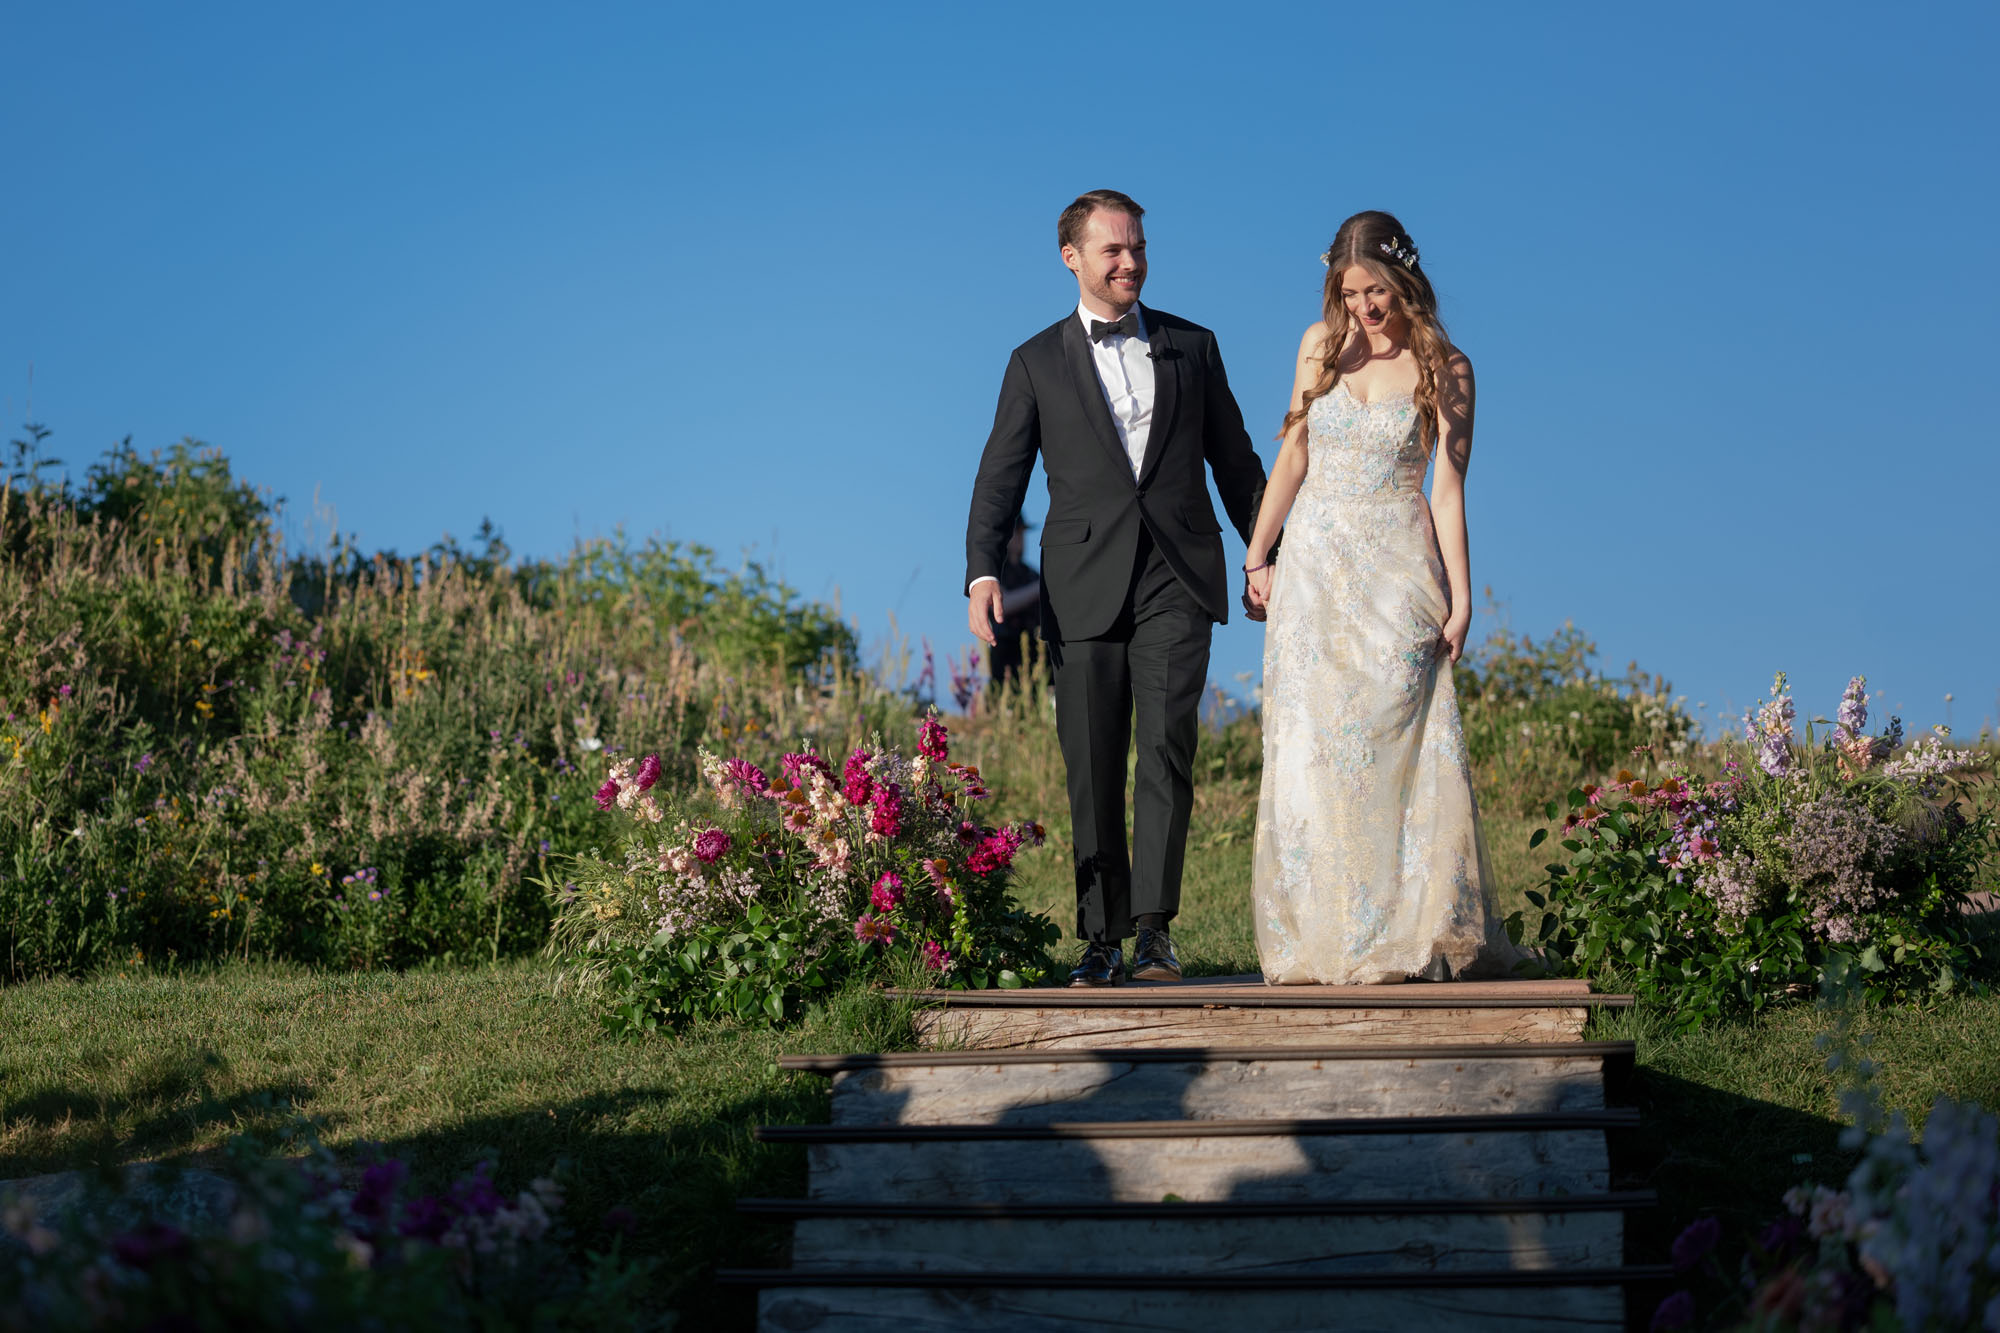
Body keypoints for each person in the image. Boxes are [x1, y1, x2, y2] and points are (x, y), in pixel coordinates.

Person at [964, 189, 1269, 986]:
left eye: (1137, 247)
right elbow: (1000, 476)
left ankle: (1154, 932)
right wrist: (984, 570)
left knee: (1167, 748)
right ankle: (1098, 937)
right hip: (1082, 585)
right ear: (1072, 258)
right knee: (1092, 760)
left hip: (1178, 572)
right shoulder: (1033, 360)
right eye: (1113, 250)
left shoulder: (1192, 346)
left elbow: (1236, 462)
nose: (1130, 261)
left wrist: (1267, 550)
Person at [1241, 210, 1519, 985]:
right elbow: (1292, 455)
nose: (1365, 304)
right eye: (1350, 289)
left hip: (1398, 571)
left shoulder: (1447, 366)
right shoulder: (1319, 347)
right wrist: (1259, 551)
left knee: (1387, 745)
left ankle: (1401, 932)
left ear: (1405, 281)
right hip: (1315, 574)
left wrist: (1462, 601)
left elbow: (1451, 491)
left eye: (1378, 289)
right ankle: (1321, 936)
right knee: (1310, 749)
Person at [986, 513, 1046, 692]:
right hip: (1005, 654)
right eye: (1015, 533)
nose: (1020, 540)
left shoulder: (1031, 574)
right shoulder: (994, 573)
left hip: (1036, 656)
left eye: (1021, 534)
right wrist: (1038, 589)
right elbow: (1003, 604)